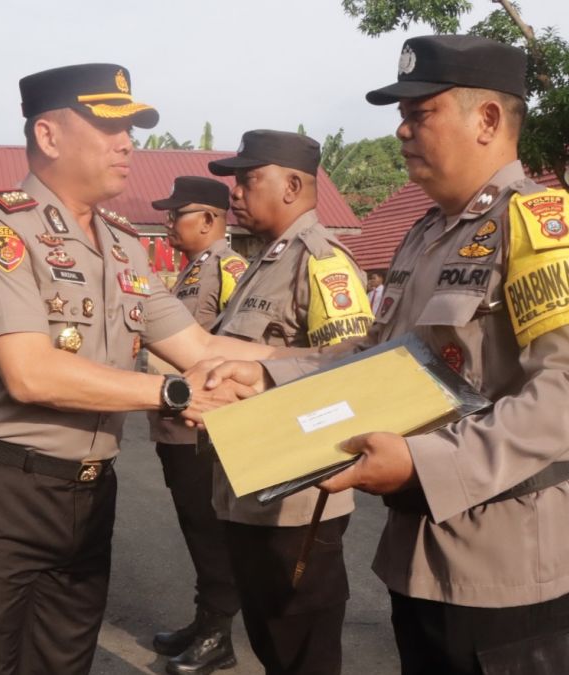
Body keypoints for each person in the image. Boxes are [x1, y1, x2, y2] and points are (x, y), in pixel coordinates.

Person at [196, 35, 569, 674]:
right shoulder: (425, 235)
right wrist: (266, 375)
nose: (400, 130)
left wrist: (421, 464)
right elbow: (377, 356)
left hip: (505, 556)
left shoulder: (540, 224)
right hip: (419, 550)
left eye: (420, 113)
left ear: (486, 120)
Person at [0, 63, 279, 675]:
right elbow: (30, 374)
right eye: (108, 124)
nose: (128, 142)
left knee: (65, 659)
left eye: (132, 127)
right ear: (48, 135)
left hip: (89, 489)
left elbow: (199, 347)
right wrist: (173, 394)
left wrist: (340, 361)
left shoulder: (124, 244)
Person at [206, 129, 374, 674]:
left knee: (303, 646)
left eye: (249, 179)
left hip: (299, 494)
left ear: (293, 185)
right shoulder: (264, 260)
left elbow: (353, 366)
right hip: (250, 479)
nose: (235, 192)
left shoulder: (320, 260)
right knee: (270, 639)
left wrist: (254, 362)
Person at [146, 176, 248, 674]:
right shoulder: (191, 270)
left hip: (203, 429)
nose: (169, 223)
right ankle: (203, 621)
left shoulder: (231, 269)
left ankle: (217, 635)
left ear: (209, 220)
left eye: (176, 214)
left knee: (210, 531)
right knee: (194, 527)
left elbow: (233, 345)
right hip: (175, 426)